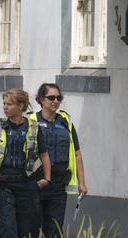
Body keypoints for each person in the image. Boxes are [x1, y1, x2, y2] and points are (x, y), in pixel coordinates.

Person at [0, 88, 52, 238]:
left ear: (20, 106)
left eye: (9, 104)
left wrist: (47, 178)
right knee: (8, 229)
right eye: (4, 103)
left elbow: (44, 154)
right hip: (3, 184)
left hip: (26, 185)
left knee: (25, 230)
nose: (5, 107)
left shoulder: (34, 128)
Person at [28, 83, 87, 237]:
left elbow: (77, 154)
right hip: (36, 183)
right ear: (41, 99)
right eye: (51, 97)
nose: (55, 101)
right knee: (31, 228)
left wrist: (82, 183)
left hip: (58, 185)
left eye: (58, 98)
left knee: (54, 230)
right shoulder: (31, 121)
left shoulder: (65, 122)